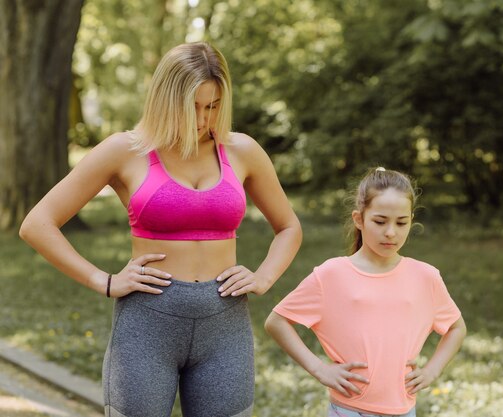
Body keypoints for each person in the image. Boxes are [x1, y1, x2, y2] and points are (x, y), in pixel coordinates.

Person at [19, 42, 302, 417]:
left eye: (213, 106)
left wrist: (265, 276)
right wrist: (103, 280)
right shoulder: (126, 150)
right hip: (147, 325)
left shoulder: (242, 151)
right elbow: (37, 224)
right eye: (193, 107)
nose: (203, 119)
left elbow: (288, 226)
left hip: (225, 326)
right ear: (166, 100)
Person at [265, 167, 466, 417]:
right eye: (380, 221)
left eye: (401, 222)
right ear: (359, 219)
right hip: (349, 410)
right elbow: (277, 321)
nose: (391, 232)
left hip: (405, 409)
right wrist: (319, 369)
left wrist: (432, 370)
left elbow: (457, 328)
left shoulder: (426, 277)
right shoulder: (331, 274)